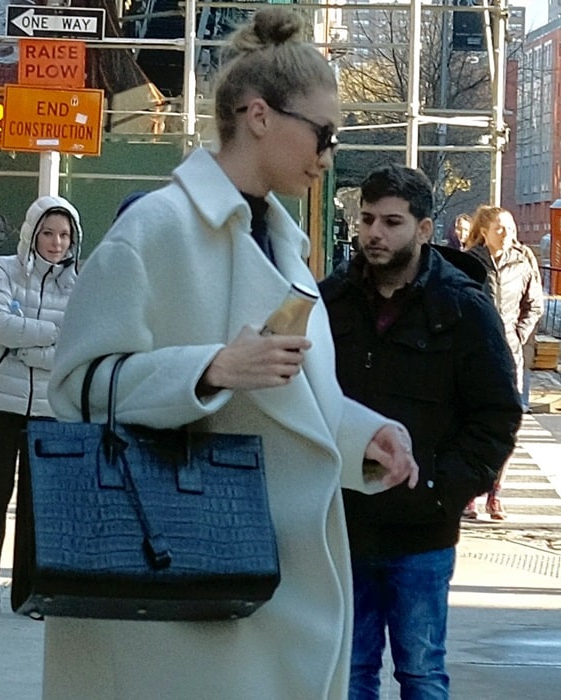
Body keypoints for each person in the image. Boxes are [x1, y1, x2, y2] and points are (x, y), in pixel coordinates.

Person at [44, 8, 418, 700]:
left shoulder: (284, 243)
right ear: (258, 114)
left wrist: (369, 437)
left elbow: (289, 403)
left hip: (259, 580)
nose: (328, 155)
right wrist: (208, 369)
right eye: (323, 133)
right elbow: (75, 387)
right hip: (174, 579)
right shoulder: (156, 229)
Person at [319, 164, 521, 699]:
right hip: (345, 525)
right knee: (349, 673)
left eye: (392, 222)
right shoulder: (331, 301)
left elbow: (496, 414)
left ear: (425, 229)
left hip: (423, 532)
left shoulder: (463, 307)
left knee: (422, 673)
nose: (374, 234)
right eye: (366, 220)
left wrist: (441, 488)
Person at [0, 195, 82, 618]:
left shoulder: (78, 283)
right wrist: (53, 331)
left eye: (64, 235)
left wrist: (30, 349)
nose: (56, 243)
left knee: (38, 504)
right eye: (48, 233)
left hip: (49, 408)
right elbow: (0, 325)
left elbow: (76, 348)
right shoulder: (3, 270)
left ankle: (30, 593)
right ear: (32, 233)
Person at [462, 205, 544, 519]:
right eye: (500, 228)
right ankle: (469, 494)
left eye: (510, 227)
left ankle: (495, 494)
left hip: (509, 354)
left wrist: (517, 336)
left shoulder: (524, 261)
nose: (507, 233)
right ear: (484, 232)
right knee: (470, 424)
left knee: (506, 427)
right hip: (473, 353)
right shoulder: (469, 262)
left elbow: (533, 306)